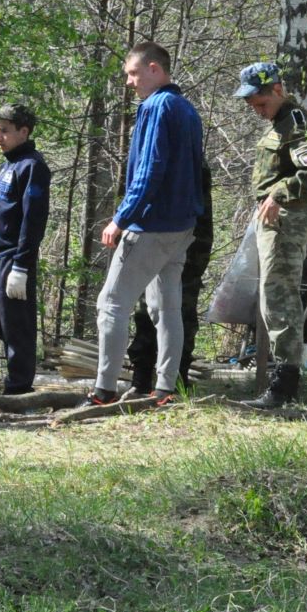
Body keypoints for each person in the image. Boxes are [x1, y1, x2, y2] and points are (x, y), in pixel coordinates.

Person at [86, 41, 206, 408]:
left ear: (155, 69)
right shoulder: (188, 109)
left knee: (111, 303)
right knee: (166, 307)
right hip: (183, 226)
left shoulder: (156, 106)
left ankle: (104, 390)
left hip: (152, 224)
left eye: (133, 73)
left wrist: (122, 217)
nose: (129, 82)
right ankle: (166, 388)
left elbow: (150, 169)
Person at [234, 62, 307, 408]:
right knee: (271, 297)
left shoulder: (298, 125)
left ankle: (284, 386)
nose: (257, 111)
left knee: (280, 296)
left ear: (277, 90)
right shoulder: (280, 123)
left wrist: (278, 193)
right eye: (251, 106)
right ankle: (280, 380)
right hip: (272, 215)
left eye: (260, 103)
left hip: (287, 216)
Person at [0, 103, 50, 395]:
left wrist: (21, 266)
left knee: (18, 327)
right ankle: (13, 384)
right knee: (3, 326)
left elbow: (33, 221)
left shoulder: (33, 166)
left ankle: (19, 390)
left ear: (23, 131)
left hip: (13, 261)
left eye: (4, 131)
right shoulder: (8, 164)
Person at [128, 163, 214, 394]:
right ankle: (141, 379)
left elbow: (201, 220)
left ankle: (175, 382)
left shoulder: (192, 164)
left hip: (187, 248)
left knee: (179, 311)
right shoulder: (152, 160)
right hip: (151, 241)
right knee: (144, 310)